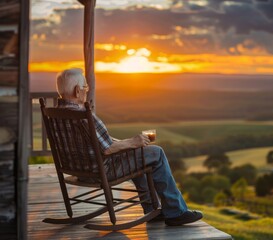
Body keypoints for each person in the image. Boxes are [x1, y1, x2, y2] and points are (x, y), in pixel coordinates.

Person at [55, 68, 202, 226]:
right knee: (156, 153)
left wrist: (129, 144)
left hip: (81, 171)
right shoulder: (84, 116)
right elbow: (107, 149)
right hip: (101, 170)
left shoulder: (55, 115)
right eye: (85, 87)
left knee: (136, 155)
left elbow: (99, 143)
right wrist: (133, 142)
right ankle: (175, 212)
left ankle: (152, 208)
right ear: (77, 91)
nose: (86, 91)